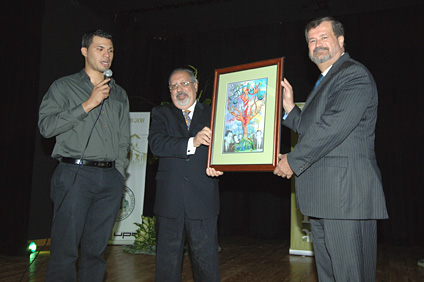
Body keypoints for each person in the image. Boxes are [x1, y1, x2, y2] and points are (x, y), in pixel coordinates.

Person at [274, 17, 388, 281]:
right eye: (312, 41)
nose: (317, 44)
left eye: (324, 37)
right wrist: (290, 108)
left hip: (346, 199)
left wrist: (292, 160)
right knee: (329, 276)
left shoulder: (353, 74)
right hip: (326, 199)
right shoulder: (326, 81)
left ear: (340, 40)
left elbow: (332, 128)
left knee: (349, 276)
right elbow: (312, 127)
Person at [38, 29, 130, 281]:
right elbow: (46, 128)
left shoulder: (119, 94)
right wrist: (88, 103)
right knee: (65, 251)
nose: (106, 54)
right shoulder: (63, 86)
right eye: (100, 48)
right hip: (74, 176)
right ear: (84, 51)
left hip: (109, 179)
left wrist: (118, 173)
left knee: (96, 252)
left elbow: (123, 139)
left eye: (110, 50)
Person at [148, 68, 223, 281]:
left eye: (184, 84)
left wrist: (220, 165)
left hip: (203, 198)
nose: (179, 90)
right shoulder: (161, 114)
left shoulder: (214, 113)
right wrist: (193, 142)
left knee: (207, 263)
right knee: (167, 265)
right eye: (174, 86)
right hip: (169, 202)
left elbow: (227, 147)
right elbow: (157, 145)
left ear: (196, 86)